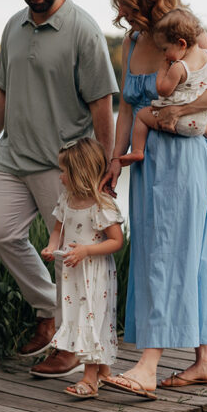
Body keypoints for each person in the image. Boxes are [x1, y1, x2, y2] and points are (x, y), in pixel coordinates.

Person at [0, 0, 118, 379]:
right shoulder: (14, 25)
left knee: (70, 255)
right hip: (14, 156)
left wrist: (106, 164)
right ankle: (47, 312)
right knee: (0, 233)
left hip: (66, 165)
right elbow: (2, 90)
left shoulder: (83, 30)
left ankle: (72, 347)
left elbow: (102, 103)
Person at [100, 0, 207, 398]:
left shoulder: (186, 30)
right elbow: (127, 106)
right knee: (163, 254)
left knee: (172, 255)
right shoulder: (132, 40)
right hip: (147, 163)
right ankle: (206, 360)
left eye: (125, 1)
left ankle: (148, 365)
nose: (120, 11)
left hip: (184, 160)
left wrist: (177, 111)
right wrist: (114, 159)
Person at [118, 7, 207, 185]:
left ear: (181, 44)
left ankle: (138, 150)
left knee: (141, 117)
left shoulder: (178, 67)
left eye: (165, 49)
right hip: (200, 122)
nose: (164, 54)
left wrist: (163, 68)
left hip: (176, 122)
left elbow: (164, 90)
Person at [40, 138, 124, 398]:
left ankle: (89, 380)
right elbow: (58, 230)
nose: (61, 177)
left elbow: (116, 241)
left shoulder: (101, 205)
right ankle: (104, 372)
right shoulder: (67, 200)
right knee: (82, 318)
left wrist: (86, 251)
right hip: (74, 273)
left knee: (93, 318)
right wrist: (51, 246)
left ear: (79, 173)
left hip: (94, 273)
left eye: (64, 171)